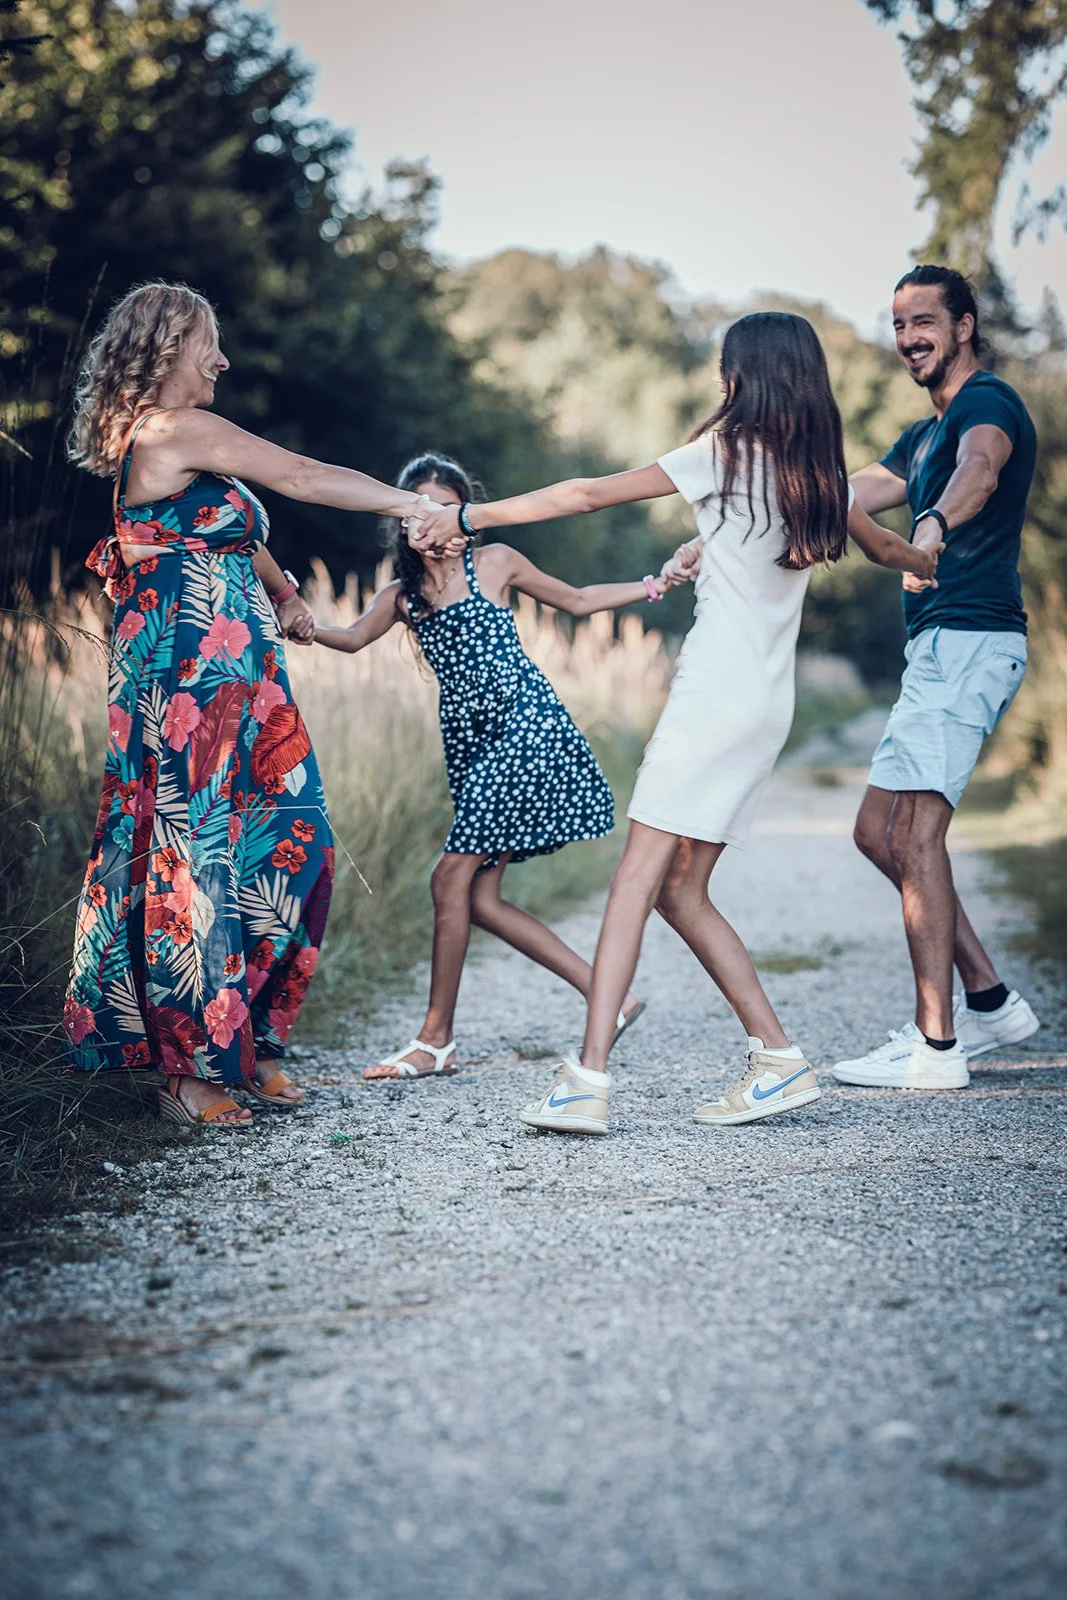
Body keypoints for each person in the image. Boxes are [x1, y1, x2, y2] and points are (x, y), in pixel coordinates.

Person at [413, 312, 940, 1134]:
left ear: (743, 378)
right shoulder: (815, 479)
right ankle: (776, 1058)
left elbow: (586, 493)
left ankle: (585, 1080)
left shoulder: (721, 454)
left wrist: (471, 519)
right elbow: (884, 548)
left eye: (726, 371)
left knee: (635, 878)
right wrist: (924, 560)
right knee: (678, 888)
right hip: (765, 707)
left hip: (712, 700)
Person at [63, 281, 437, 1128]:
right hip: (185, 682)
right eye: (208, 343)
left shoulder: (185, 446)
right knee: (193, 856)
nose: (222, 359)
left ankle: (249, 1042)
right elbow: (299, 476)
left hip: (247, 678)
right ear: (165, 350)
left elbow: (230, 528)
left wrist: (286, 595)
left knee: (291, 837)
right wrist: (412, 502)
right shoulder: (168, 429)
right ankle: (188, 1070)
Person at [313, 451, 688, 1080]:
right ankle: (610, 997)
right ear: (401, 521)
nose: (428, 522)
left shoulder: (492, 563)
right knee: (479, 898)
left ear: (466, 518)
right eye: (416, 511)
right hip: (470, 746)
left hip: (525, 726)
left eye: (442, 508)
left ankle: (435, 1040)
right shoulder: (403, 597)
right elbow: (349, 638)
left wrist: (656, 584)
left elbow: (574, 599)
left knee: (446, 879)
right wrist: (291, 620)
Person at [833, 266, 1040, 1094]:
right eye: (897, 324)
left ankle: (937, 1047)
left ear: (962, 325)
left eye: (924, 320)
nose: (908, 336)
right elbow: (846, 494)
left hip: (969, 638)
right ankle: (988, 1000)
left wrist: (931, 521)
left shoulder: (984, 405)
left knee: (914, 836)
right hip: (938, 649)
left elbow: (980, 470)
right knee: (875, 831)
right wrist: (747, 524)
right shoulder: (918, 438)